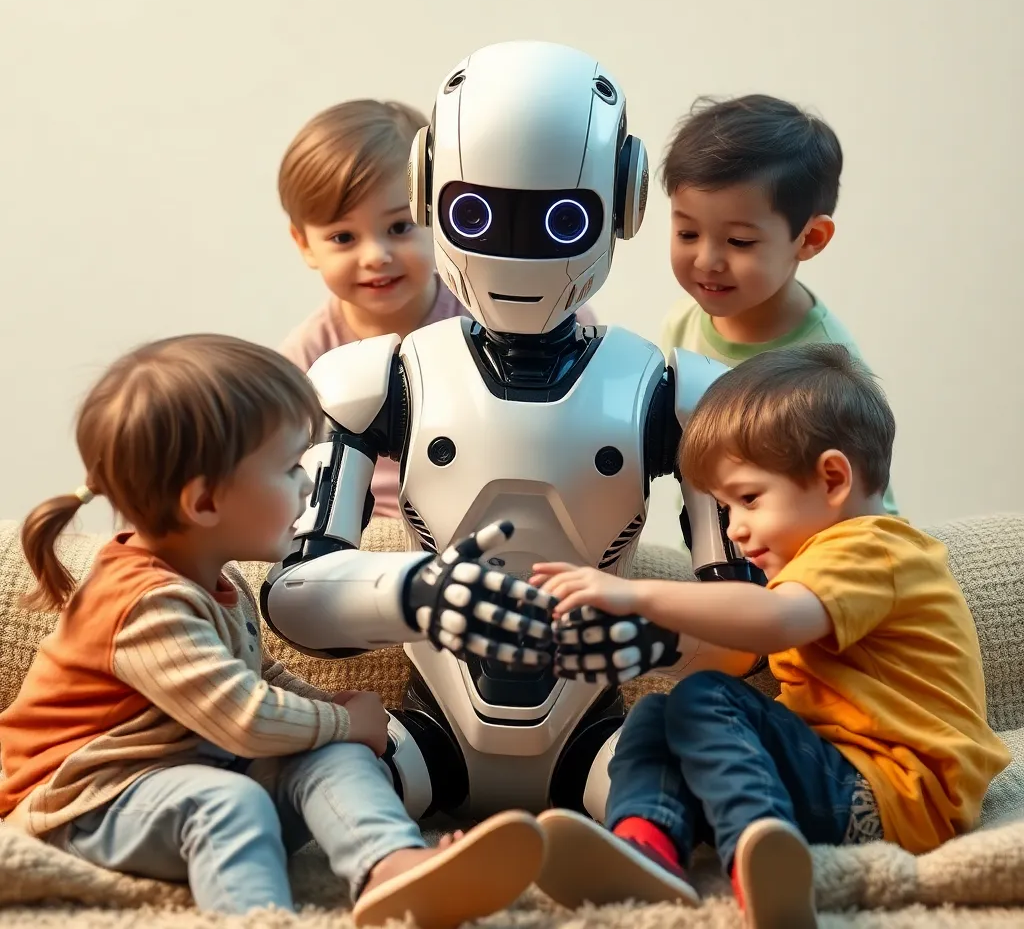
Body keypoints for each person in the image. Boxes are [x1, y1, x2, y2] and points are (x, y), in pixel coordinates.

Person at [0, 334, 544, 926]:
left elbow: (259, 674)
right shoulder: (144, 606)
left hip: (180, 777)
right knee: (229, 803)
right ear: (205, 503)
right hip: (83, 804)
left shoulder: (215, 575)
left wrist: (332, 713)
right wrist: (345, 719)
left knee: (330, 753)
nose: (309, 486)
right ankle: (259, 918)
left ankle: (390, 866)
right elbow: (245, 717)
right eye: (290, 469)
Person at [530, 343, 1010, 927]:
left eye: (749, 499)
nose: (736, 529)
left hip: (898, 794)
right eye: (726, 508)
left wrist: (635, 593)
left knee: (706, 698)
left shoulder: (873, 547)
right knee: (658, 713)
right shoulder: (817, 565)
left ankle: (760, 844)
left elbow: (776, 620)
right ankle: (645, 843)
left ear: (832, 478)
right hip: (833, 780)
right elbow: (742, 641)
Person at [276, 98, 598, 519]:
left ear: (437, 215)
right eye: (343, 238)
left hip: (499, 510)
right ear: (304, 244)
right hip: (367, 527)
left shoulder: (495, 313)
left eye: (399, 227)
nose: (375, 255)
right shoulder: (311, 352)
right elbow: (281, 461)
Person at [658, 93, 897, 516]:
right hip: (711, 553)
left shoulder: (825, 367)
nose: (706, 261)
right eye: (688, 234)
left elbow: (868, 512)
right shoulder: (683, 324)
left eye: (739, 242)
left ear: (809, 240)